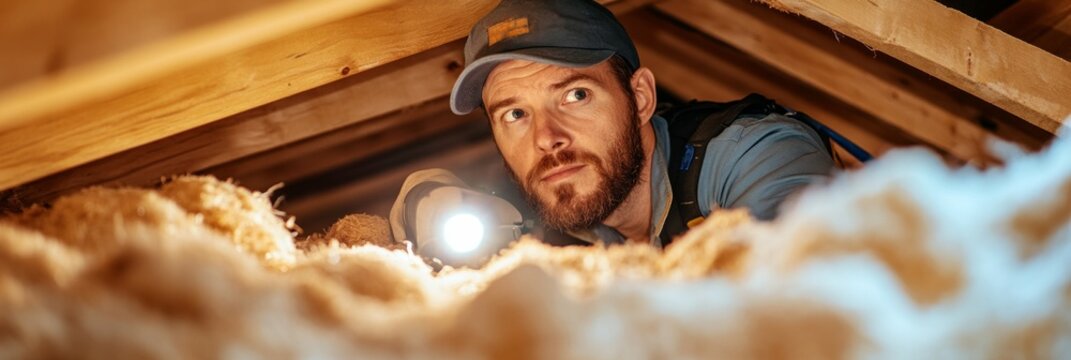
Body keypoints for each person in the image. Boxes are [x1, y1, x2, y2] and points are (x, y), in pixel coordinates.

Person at [389, 0, 834, 258]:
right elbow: (434, 196)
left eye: (575, 96)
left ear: (639, 98)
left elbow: (788, 300)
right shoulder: (557, 196)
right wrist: (425, 196)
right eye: (515, 115)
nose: (547, 138)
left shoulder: (756, 154)